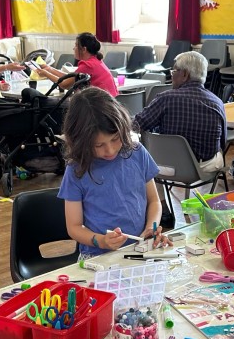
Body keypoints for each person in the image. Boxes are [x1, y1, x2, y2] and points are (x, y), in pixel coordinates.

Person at [58, 87, 171, 257]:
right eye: (98, 145)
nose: (110, 150)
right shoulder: (77, 170)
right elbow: (74, 227)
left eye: (115, 139)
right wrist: (100, 240)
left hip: (140, 250)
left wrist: (151, 227)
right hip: (97, 257)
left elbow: (154, 201)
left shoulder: (136, 152)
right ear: (80, 142)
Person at [133, 51, 227, 174]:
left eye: (174, 71)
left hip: (170, 168)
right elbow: (223, 142)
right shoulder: (218, 102)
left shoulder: (165, 98)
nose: (171, 76)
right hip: (205, 169)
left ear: (185, 74)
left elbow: (137, 124)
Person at [35, 32, 117, 96]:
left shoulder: (87, 66)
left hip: (100, 108)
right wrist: (50, 69)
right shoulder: (95, 60)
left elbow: (64, 84)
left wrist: (46, 73)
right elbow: (71, 77)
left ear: (84, 49)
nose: (74, 48)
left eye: (76, 46)